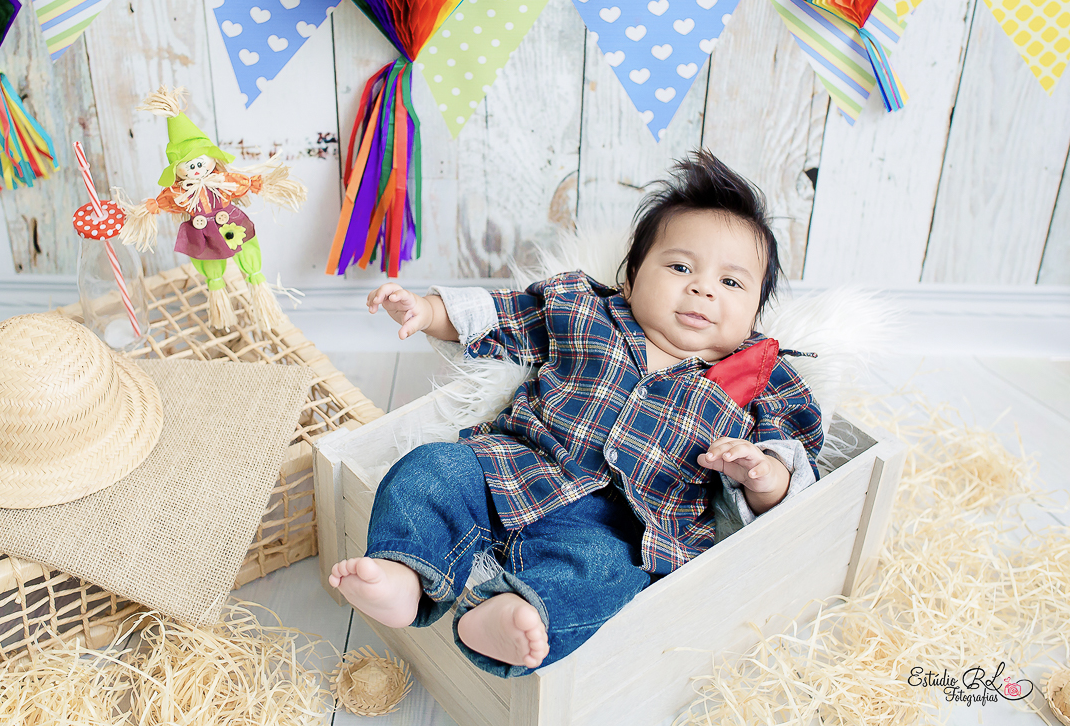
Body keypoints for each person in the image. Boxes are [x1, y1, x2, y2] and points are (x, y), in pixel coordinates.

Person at [330, 150, 825, 677]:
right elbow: (503, 317)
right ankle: (405, 572)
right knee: (432, 469)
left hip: (620, 524)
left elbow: (795, 465)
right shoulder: (585, 310)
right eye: (681, 267)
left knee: (606, 576)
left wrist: (763, 475)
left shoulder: (765, 380)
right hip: (514, 465)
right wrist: (428, 311)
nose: (702, 287)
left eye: (731, 283)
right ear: (631, 279)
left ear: (755, 314)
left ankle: (511, 613)